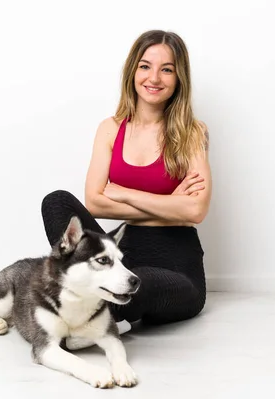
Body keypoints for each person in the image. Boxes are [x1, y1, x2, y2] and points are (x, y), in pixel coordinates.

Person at [40, 30, 211, 346]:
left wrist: (123, 193)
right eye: (145, 66)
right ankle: (95, 309)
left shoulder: (192, 132)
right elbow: (95, 203)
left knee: (137, 283)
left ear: (179, 77)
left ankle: (90, 314)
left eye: (167, 69)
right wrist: (169, 204)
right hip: (118, 255)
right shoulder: (110, 128)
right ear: (133, 70)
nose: (154, 78)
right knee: (57, 202)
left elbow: (196, 210)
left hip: (177, 268)